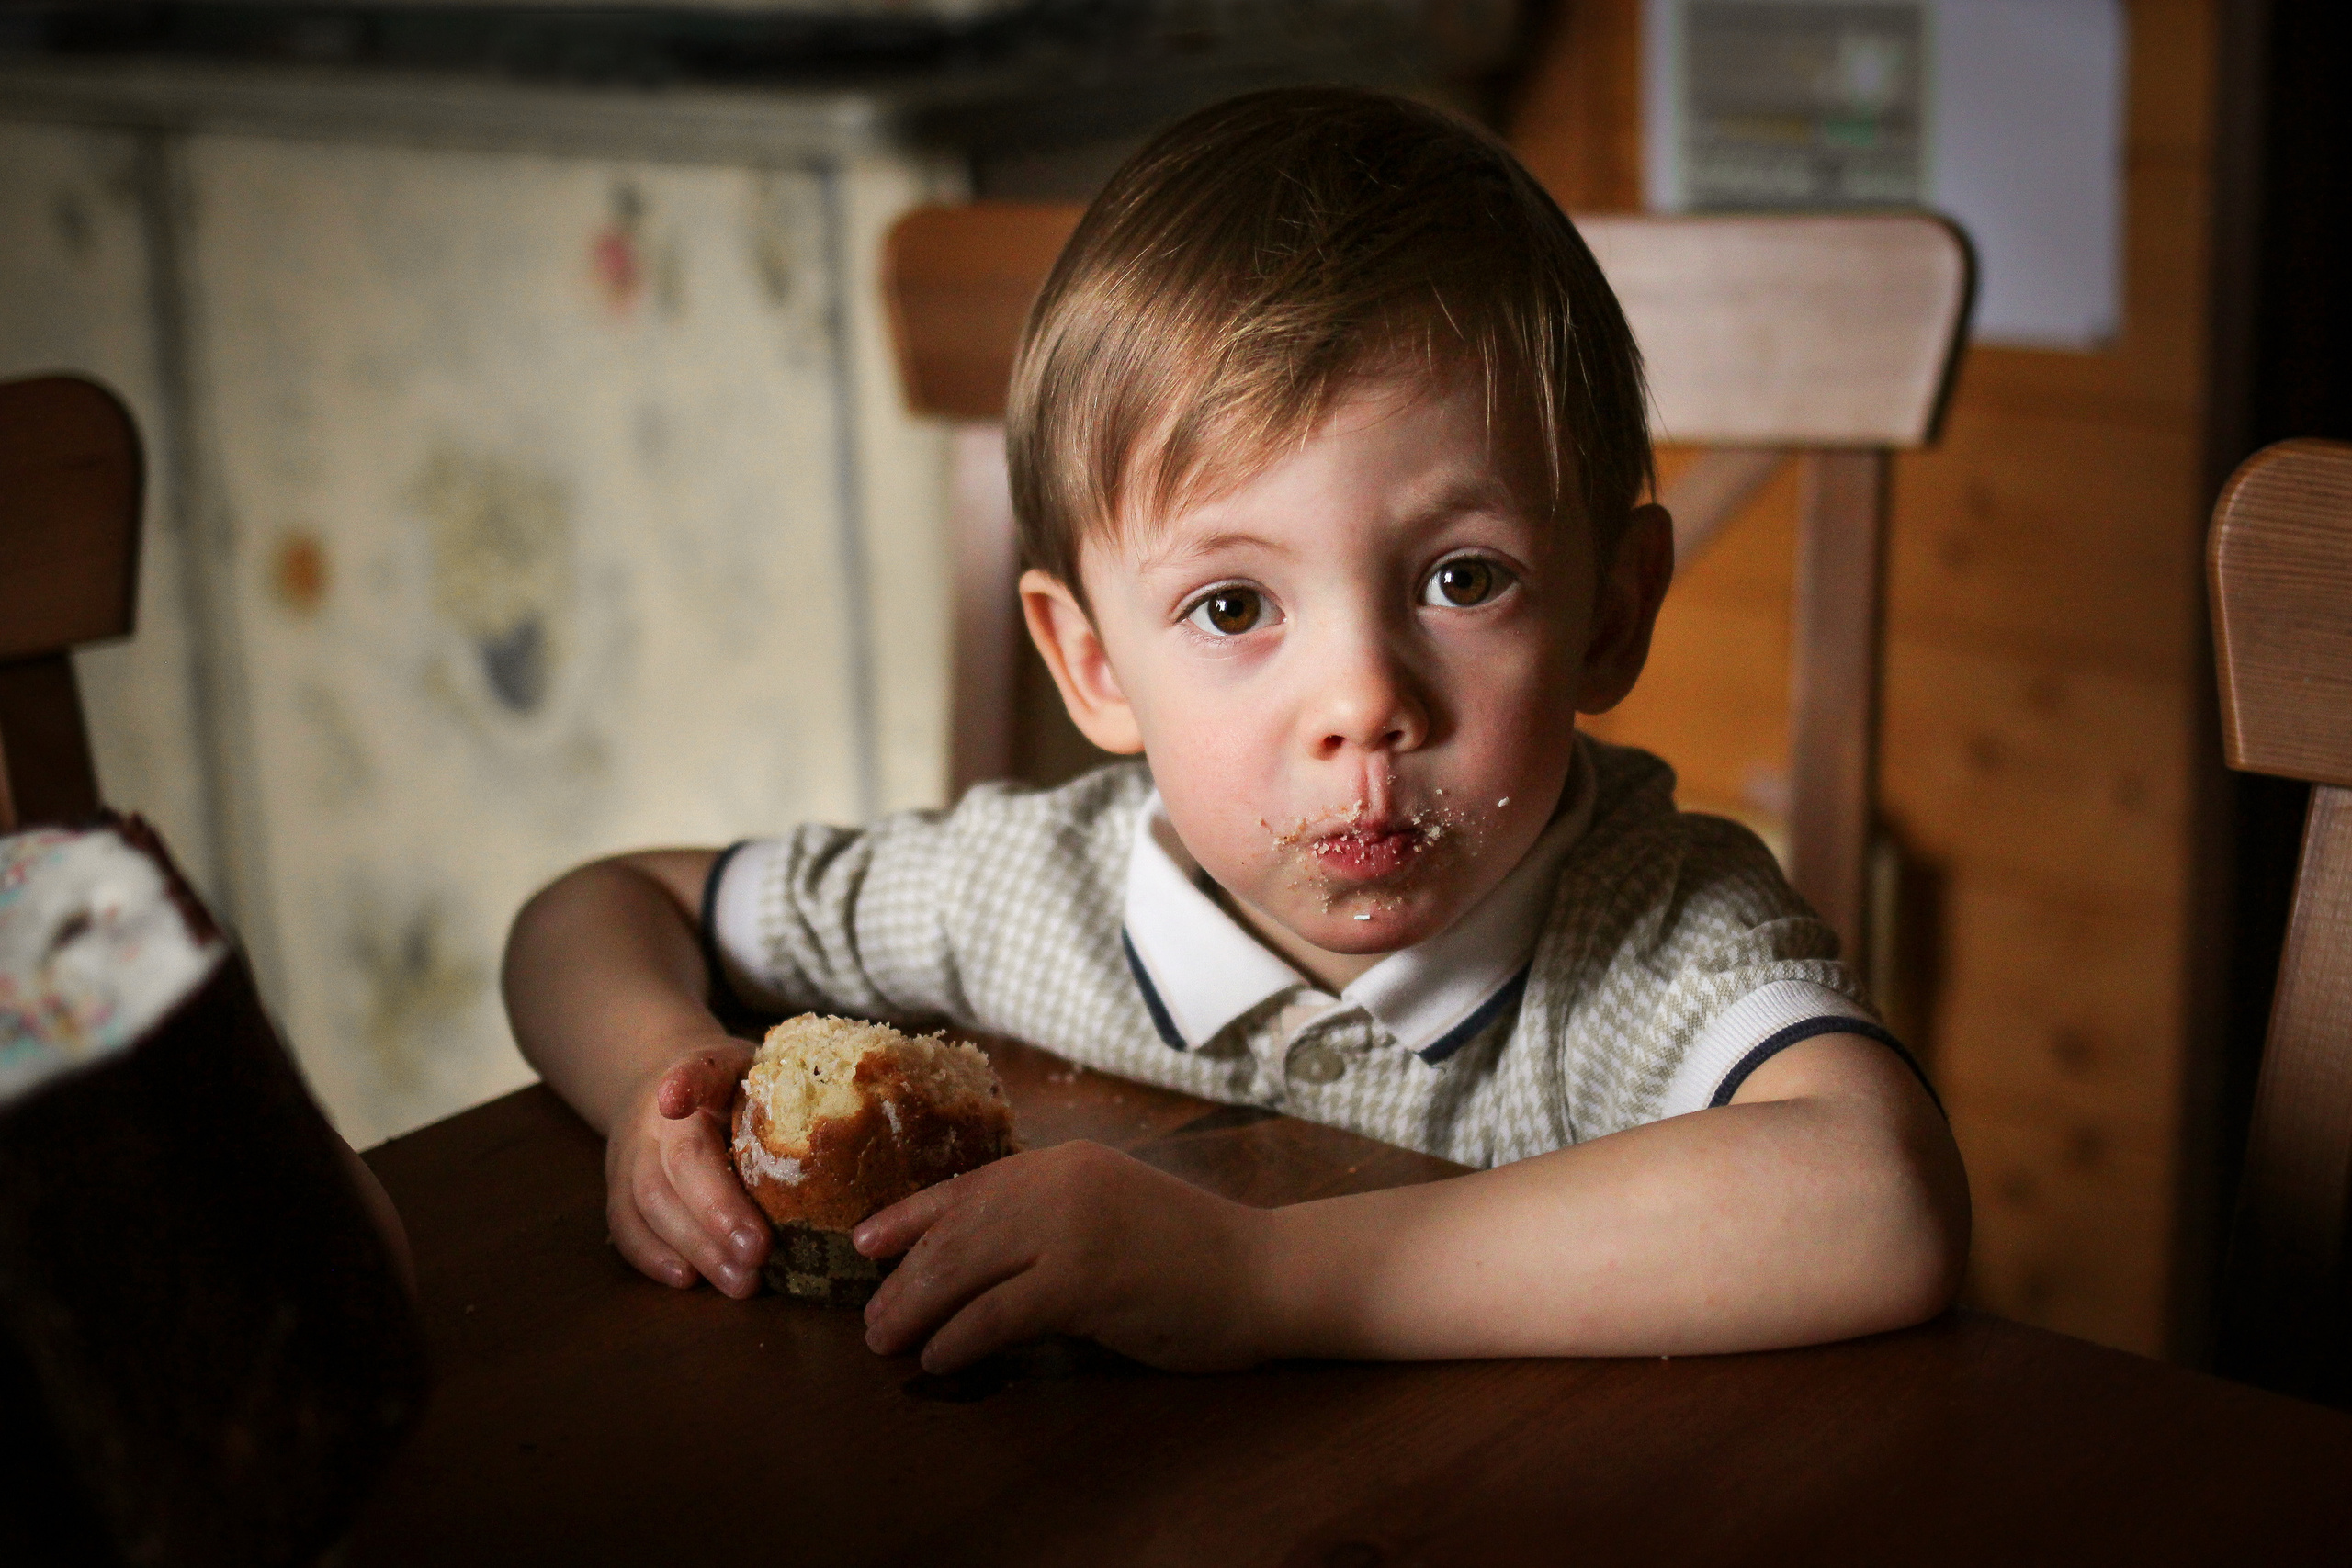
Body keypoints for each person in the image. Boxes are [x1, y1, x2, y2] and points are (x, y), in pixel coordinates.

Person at [503, 86, 1969, 1376]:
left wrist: (1263, 1278)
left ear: (1607, 615)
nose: (1362, 704)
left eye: (1462, 580)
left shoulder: (1649, 936)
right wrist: (659, 1075)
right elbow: (598, 906)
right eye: (1229, 608)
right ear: (1093, 665)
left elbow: (1881, 1203)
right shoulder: (1026, 896)